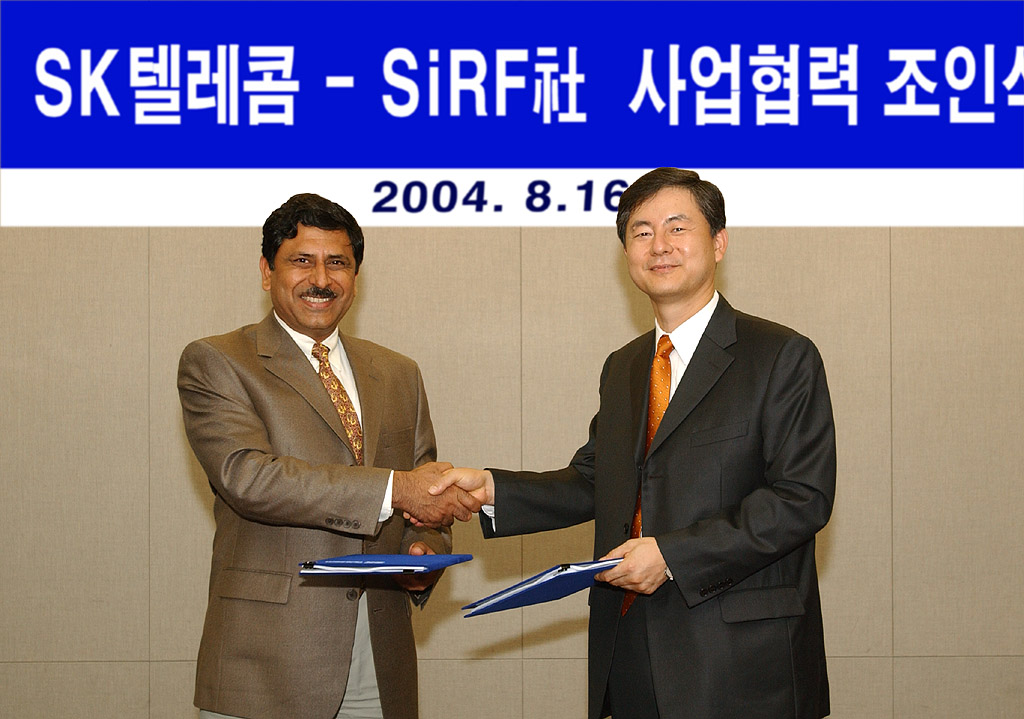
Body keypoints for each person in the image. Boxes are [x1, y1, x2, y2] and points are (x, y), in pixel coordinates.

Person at [435, 168, 836, 719]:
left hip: (739, 662)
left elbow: (800, 498)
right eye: (641, 232)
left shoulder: (780, 355)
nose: (660, 245)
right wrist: (491, 490)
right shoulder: (624, 367)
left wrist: (672, 555)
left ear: (718, 243)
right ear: (626, 253)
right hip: (629, 649)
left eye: (677, 227)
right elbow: (596, 480)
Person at [177, 193, 479, 719]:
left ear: (356, 277)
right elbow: (248, 478)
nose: (321, 278)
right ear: (267, 272)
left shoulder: (398, 372)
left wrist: (424, 550)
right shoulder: (218, 361)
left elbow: (421, 488)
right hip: (268, 666)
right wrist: (395, 489)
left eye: (337, 262)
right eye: (302, 260)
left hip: (380, 660)